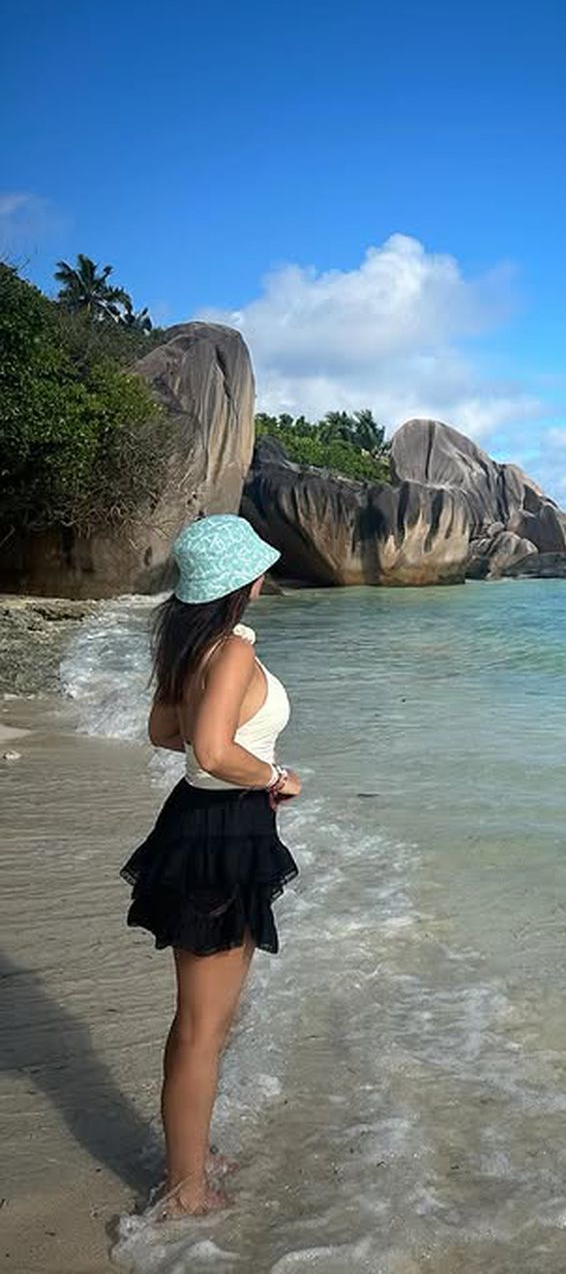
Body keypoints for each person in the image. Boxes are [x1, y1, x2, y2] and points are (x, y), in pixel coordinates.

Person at [120, 514, 301, 1217]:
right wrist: (274, 777)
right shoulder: (228, 653)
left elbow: (166, 732)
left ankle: (189, 1156)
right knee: (202, 1025)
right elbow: (214, 751)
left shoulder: (191, 647)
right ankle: (185, 1189)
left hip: (205, 825)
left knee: (206, 1020)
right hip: (222, 833)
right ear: (243, 581)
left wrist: (225, 760)